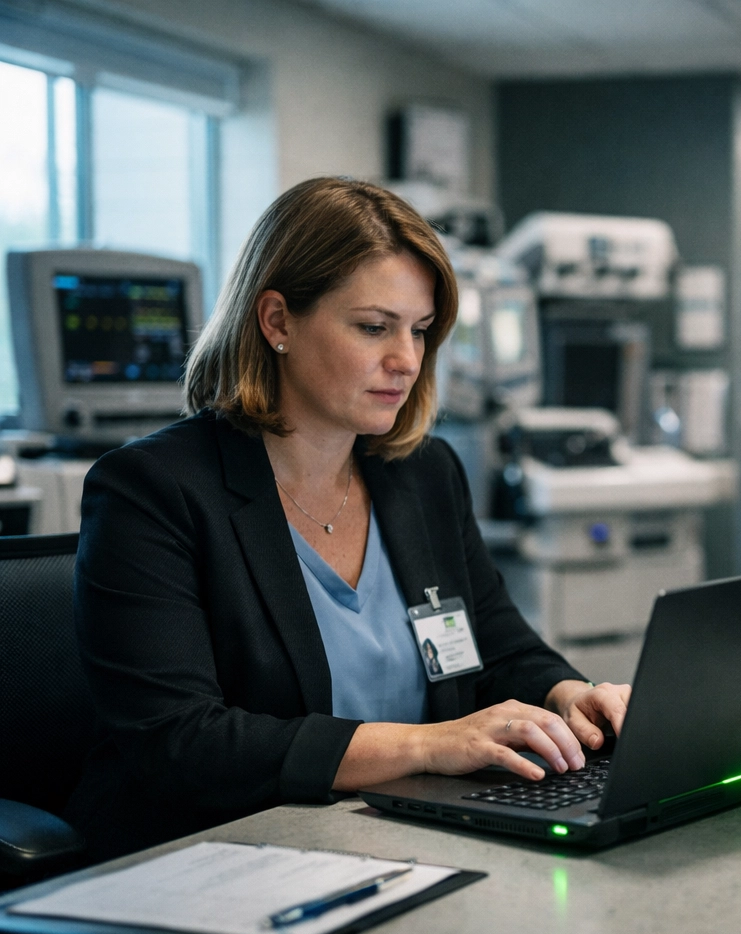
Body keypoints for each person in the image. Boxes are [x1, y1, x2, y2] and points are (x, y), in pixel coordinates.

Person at [65, 178, 630, 861]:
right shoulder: (154, 490)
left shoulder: (423, 475)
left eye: (420, 331)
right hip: (219, 856)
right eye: (373, 327)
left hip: (399, 841)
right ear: (276, 321)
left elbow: (497, 650)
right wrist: (427, 745)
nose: (407, 360)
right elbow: (183, 741)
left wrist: (571, 696)